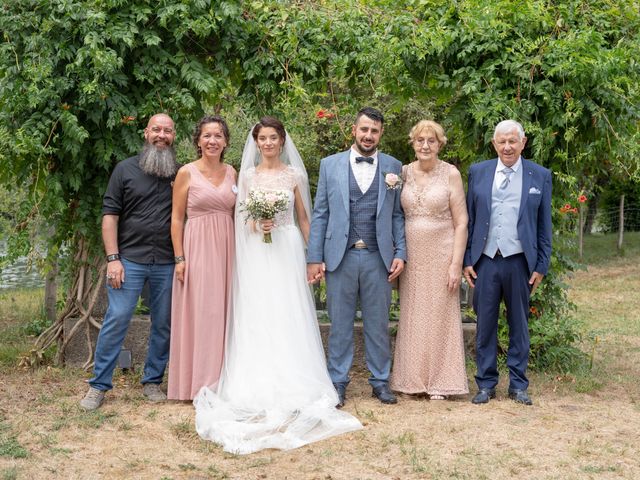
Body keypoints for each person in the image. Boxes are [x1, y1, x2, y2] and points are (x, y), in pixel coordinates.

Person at [194, 117, 362, 454]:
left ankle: (295, 378)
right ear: (255, 143)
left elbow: (303, 217)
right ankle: (254, 380)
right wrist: (257, 222)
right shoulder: (247, 176)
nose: (268, 143)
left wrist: (312, 254)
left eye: (273, 138)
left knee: (288, 310)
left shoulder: (294, 175)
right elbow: (240, 218)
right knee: (258, 311)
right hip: (257, 251)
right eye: (263, 138)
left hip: (286, 248)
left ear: (282, 141)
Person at [307, 107, 407, 407]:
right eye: (364, 129)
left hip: (379, 257)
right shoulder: (330, 165)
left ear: (381, 133)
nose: (368, 135)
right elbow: (321, 213)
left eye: (374, 131)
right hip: (341, 256)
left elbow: (398, 215)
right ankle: (337, 381)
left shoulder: (393, 166)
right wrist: (314, 256)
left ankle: (380, 381)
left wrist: (401, 251)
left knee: (378, 323)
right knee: (339, 324)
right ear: (354, 130)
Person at [80, 113, 178, 411]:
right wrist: (113, 259)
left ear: (174, 136)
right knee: (118, 318)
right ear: (146, 133)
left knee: (163, 323)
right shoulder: (125, 170)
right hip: (128, 261)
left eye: (168, 131)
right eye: (156, 129)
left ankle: (152, 381)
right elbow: (110, 216)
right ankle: (98, 386)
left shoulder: (181, 173)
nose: (161, 135)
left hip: (167, 262)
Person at [464, 120, 552, 406]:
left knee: (519, 324)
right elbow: (471, 219)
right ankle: (486, 383)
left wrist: (541, 265)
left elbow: (544, 225)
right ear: (494, 143)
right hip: (486, 260)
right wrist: (467, 258)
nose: (507, 147)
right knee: (485, 325)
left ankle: (518, 384)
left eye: (512, 141)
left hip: (519, 262)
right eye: (502, 141)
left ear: (523, 142)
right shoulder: (478, 172)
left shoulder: (539, 175)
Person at [391, 120, 469, 400]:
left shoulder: (451, 174)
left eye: (431, 141)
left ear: (440, 144)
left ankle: (440, 381)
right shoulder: (401, 173)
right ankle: (411, 379)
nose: (425, 145)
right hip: (411, 257)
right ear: (412, 143)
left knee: (439, 316)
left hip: (441, 254)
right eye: (420, 140)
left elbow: (461, 222)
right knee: (412, 315)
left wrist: (455, 264)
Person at [167, 115, 236, 400]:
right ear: (198, 140)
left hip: (227, 248)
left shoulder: (233, 172)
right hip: (196, 246)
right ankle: (198, 383)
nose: (212, 141)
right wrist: (179, 258)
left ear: (226, 142)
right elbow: (176, 219)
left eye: (218, 136)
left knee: (224, 311)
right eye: (207, 135)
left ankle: (224, 381)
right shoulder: (186, 172)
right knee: (202, 310)